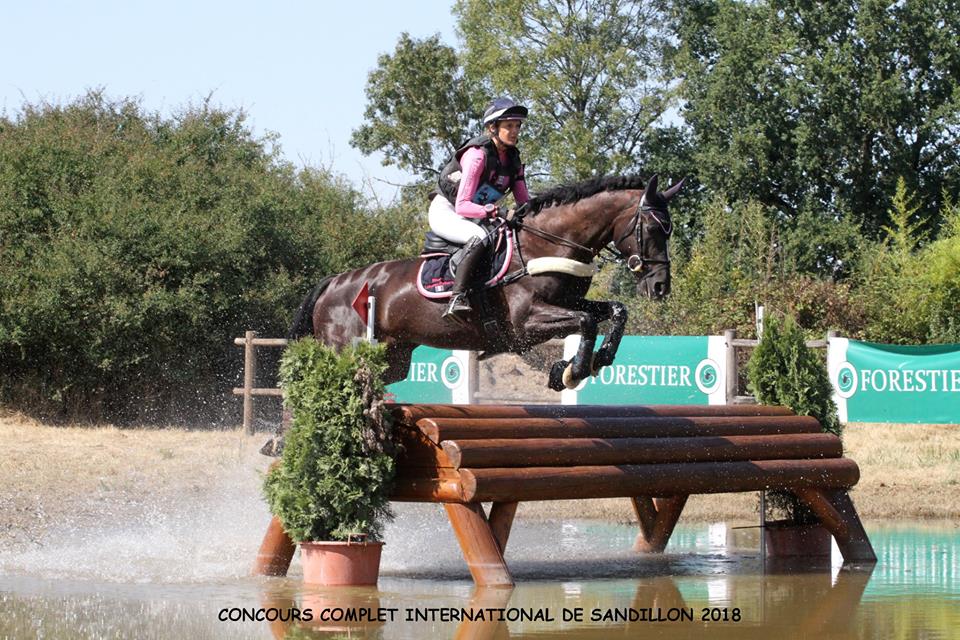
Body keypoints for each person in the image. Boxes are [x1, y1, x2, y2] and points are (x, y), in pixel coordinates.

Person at [430, 97, 530, 318]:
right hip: (447, 211)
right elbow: (463, 205)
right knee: (478, 237)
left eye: (517, 126)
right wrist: (496, 212)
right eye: (509, 126)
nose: (515, 131)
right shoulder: (477, 155)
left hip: (478, 215)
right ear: (492, 128)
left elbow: (525, 203)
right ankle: (458, 297)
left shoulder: (513, 160)